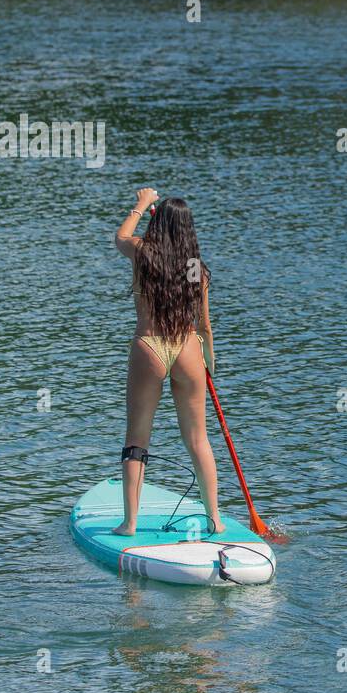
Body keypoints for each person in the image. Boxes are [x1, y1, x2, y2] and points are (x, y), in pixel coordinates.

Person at [112, 189, 222, 535]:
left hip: (150, 348)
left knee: (137, 440)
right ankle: (215, 520)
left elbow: (120, 237)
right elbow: (204, 325)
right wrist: (209, 360)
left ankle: (130, 523)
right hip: (188, 348)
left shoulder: (143, 253)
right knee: (198, 440)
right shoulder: (195, 270)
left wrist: (141, 205)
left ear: (157, 224)